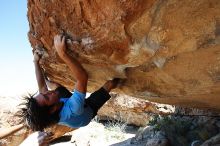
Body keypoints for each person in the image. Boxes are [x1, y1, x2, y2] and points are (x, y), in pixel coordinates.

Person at [20, 34, 120, 131]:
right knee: (110, 84)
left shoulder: (49, 109)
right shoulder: (73, 109)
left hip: (65, 103)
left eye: (43, 94)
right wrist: (62, 53)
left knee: (55, 86)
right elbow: (82, 78)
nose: (47, 92)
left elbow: (42, 87)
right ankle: (121, 80)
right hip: (88, 109)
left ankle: (47, 80)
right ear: (52, 109)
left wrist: (35, 62)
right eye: (46, 97)